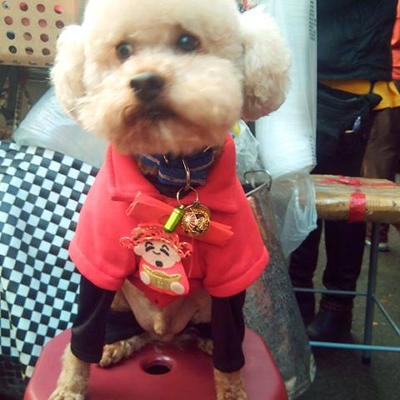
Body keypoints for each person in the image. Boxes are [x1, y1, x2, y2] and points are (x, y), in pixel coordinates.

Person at [289, 0, 398, 342]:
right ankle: (300, 300)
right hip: (311, 79)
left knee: (340, 206)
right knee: (301, 193)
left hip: (348, 84)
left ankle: (336, 309)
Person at [362, 0, 400, 252]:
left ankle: (376, 231)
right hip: (390, 77)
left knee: (381, 157)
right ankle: (377, 230)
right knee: (382, 156)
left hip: (390, 77)